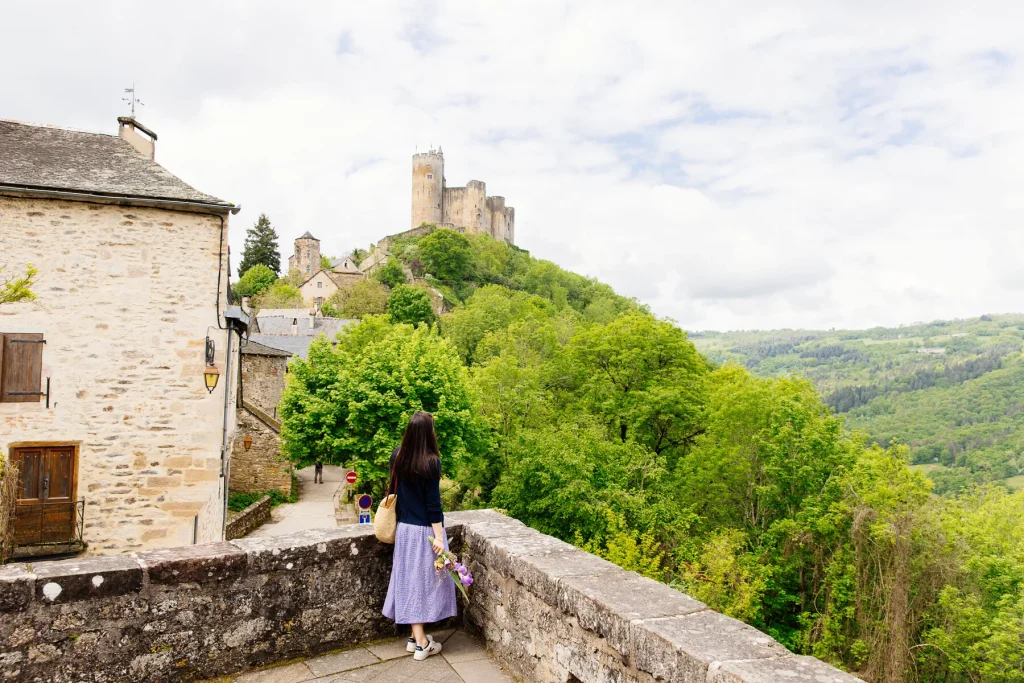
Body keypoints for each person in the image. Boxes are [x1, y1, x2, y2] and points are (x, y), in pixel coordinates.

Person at [382, 411, 456, 661]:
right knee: (422, 584)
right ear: (428, 433)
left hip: (404, 529)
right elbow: (433, 505)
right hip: (424, 531)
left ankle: (415, 638)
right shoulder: (431, 462)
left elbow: (393, 490)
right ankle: (423, 643)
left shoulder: (398, 455)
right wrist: (439, 538)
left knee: (410, 580)